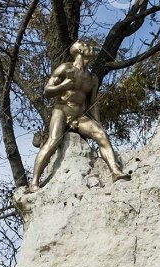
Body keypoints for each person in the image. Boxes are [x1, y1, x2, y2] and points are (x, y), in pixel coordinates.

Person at [30, 40, 130, 192]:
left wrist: (97, 121)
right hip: (62, 110)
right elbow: (47, 90)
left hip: (79, 115)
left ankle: (115, 171)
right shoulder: (65, 68)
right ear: (79, 51)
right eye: (87, 46)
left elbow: (93, 102)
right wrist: (65, 85)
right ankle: (34, 182)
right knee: (53, 140)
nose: (91, 48)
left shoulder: (92, 78)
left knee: (101, 134)